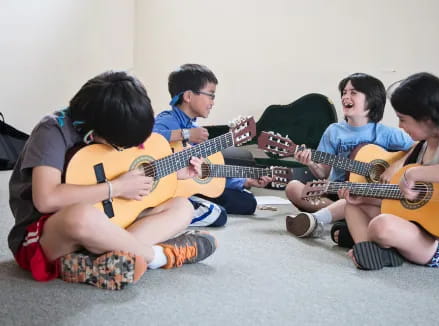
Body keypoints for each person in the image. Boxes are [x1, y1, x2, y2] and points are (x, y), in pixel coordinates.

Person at [8, 71, 217, 291]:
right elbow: (46, 199)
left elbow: (121, 168)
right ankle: (159, 256)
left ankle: (99, 260)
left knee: (182, 207)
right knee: (81, 216)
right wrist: (116, 187)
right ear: (95, 131)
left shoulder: (117, 123)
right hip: (46, 236)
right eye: (120, 145)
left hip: (107, 222)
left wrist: (173, 173)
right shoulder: (52, 130)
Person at [337, 72, 439, 270]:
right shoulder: (422, 147)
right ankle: (370, 250)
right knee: (352, 206)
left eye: (403, 119)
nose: (400, 126)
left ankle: (378, 248)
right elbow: (405, 202)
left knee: (381, 226)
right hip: (416, 228)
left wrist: (414, 173)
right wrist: (365, 199)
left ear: (426, 118)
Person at [285, 73, 414, 243]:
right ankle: (339, 214)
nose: (346, 96)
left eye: (353, 93)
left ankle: (320, 218)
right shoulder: (334, 131)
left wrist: (395, 166)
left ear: (372, 100)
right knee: (293, 187)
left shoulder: (386, 133)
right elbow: (323, 174)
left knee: (357, 198)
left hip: (370, 195)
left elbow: (419, 146)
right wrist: (310, 162)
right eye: (344, 92)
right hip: (335, 190)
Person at [153, 63, 272, 226]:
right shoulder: (168, 119)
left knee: (248, 202)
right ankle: (177, 214)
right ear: (188, 96)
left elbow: (209, 171)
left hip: (191, 187)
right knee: (219, 214)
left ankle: (197, 203)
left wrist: (246, 182)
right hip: (166, 191)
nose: (213, 102)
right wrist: (185, 134)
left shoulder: (198, 130)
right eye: (211, 95)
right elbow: (147, 139)